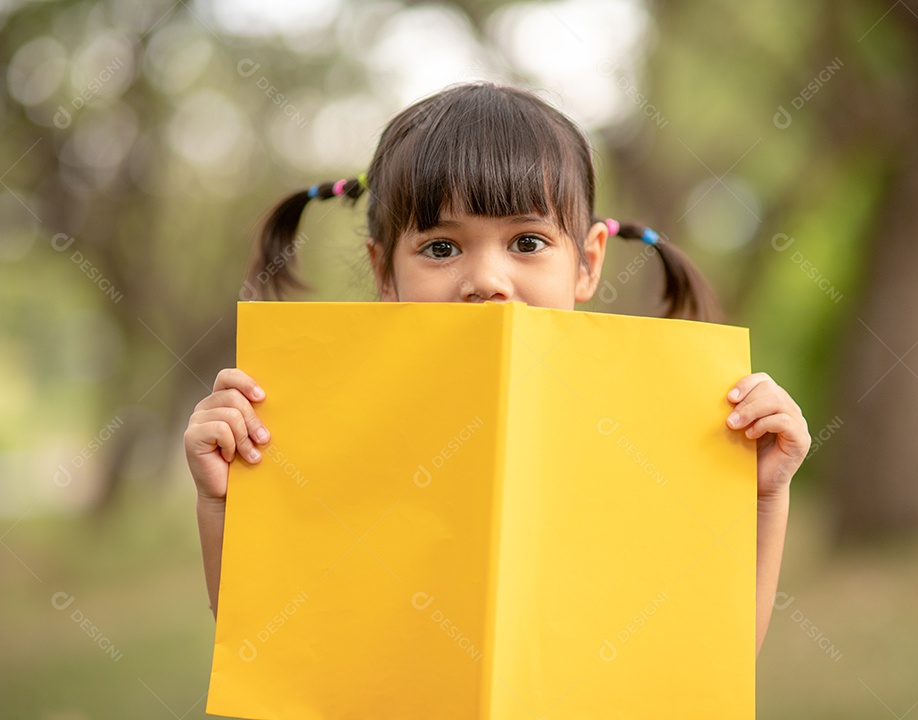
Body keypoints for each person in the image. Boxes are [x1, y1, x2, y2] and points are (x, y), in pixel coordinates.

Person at [183, 82, 810, 658]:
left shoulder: (645, 433)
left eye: (528, 242)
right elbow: (277, 645)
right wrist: (221, 502)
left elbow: (711, 659)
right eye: (441, 248)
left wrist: (760, 495)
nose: (485, 280)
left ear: (588, 263)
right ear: (384, 272)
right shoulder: (343, 430)